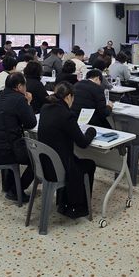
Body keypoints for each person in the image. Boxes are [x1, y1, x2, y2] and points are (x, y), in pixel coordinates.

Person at [38, 82, 97, 219]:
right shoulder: (66, 115)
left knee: (74, 160)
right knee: (89, 165)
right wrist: (91, 131)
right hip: (59, 167)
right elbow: (82, 143)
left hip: (44, 164)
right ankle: (78, 206)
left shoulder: (45, 108)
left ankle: (64, 202)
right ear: (69, 97)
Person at [0, 73, 37, 202]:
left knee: (10, 141)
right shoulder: (19, 99)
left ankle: (9, 186)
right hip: (4, 150)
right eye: (25, 86)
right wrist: (28, 102)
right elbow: (31, 123)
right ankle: (16, 190)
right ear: (19, 86)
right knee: (38, 159)